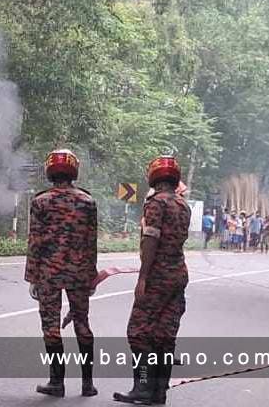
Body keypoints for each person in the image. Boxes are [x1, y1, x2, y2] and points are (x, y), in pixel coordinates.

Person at [114, 156, 190, 405]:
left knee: (138, 332)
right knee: (165, 335)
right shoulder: (183, 205)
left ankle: (143, 386)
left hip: (158, 275)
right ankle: (160, 392)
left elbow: (151, 240)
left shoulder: (156, 203)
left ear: (153, 177)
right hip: (178, 274)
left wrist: (143, 277)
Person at [25, 149, 98, 398]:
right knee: (82, 324)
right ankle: (88, 384)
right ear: (74, 170)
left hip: (48, 273)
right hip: (79, 273)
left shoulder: (40, 201)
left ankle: (57, 382)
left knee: (51, 327)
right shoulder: (87, 202)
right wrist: (92, 275)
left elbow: (34, 242)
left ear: (49, 170)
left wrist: (32, 277)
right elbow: (91, 243)